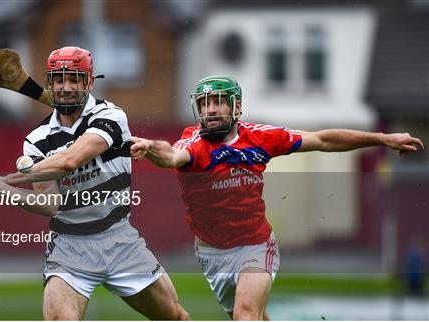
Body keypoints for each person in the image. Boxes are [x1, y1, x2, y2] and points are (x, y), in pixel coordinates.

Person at [130, 74, 425, 320]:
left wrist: (383, 138)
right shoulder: (194, 144)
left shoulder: (261, 137)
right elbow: (171, 155)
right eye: (204, 103)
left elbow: (323, 140)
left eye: (219, 101)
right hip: (212, 254)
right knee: (253, 315)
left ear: (236, 108)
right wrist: (151, 147)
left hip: (255, 245)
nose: (210, 110)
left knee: (246, 315)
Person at [0, 46, 190, 320]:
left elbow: (70, 160)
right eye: (58, 79)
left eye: (74, 79)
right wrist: (6, 191)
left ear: (89, 82)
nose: (66, 87)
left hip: (119, 239)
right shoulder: (37, 139)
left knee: (175, 317)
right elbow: (49, 204)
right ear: (49, 83)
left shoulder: (110, 116)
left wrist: (7, 179)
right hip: (69, 247)